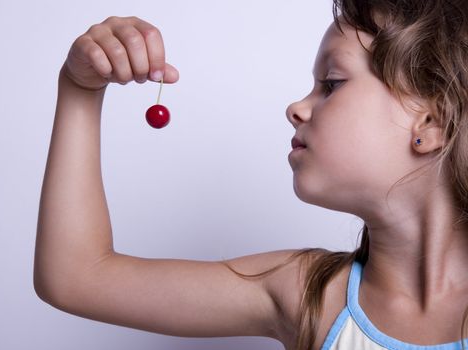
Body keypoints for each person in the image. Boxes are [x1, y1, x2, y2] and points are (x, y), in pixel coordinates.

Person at [33, 0, 468, 349]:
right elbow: (76, 277)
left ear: (430, 123)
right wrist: (79, 89)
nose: (296, 108)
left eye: (331, 84)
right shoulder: (307, 294)